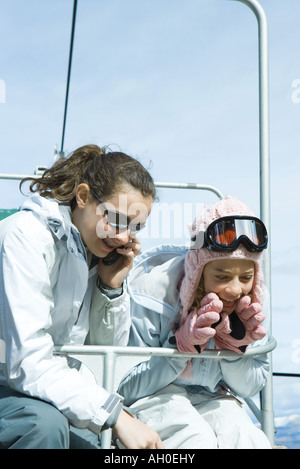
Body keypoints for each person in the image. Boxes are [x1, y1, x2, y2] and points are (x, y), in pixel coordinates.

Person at [0, 144, 164, 449]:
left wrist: (110, 288)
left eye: (135, 226)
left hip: (41, 391)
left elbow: (105, 359)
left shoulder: (94, 257)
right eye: (117, 219)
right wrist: (114, 415)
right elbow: (28, 363)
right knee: (44, 428)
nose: (125, 236)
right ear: (84, 196)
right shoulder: (27, 237)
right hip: (14, 385)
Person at [118, 195, 272, 449]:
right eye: (222, 276)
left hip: (211, 397)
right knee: (195, 439)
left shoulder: (249, 307)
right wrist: (179, 349)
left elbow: (250, 386)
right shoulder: (153, 296)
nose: (235, 289)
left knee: (248, 438)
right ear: (199, 269)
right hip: (155, 396)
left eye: (246, 277)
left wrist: (235, 350)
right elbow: (125, 387)